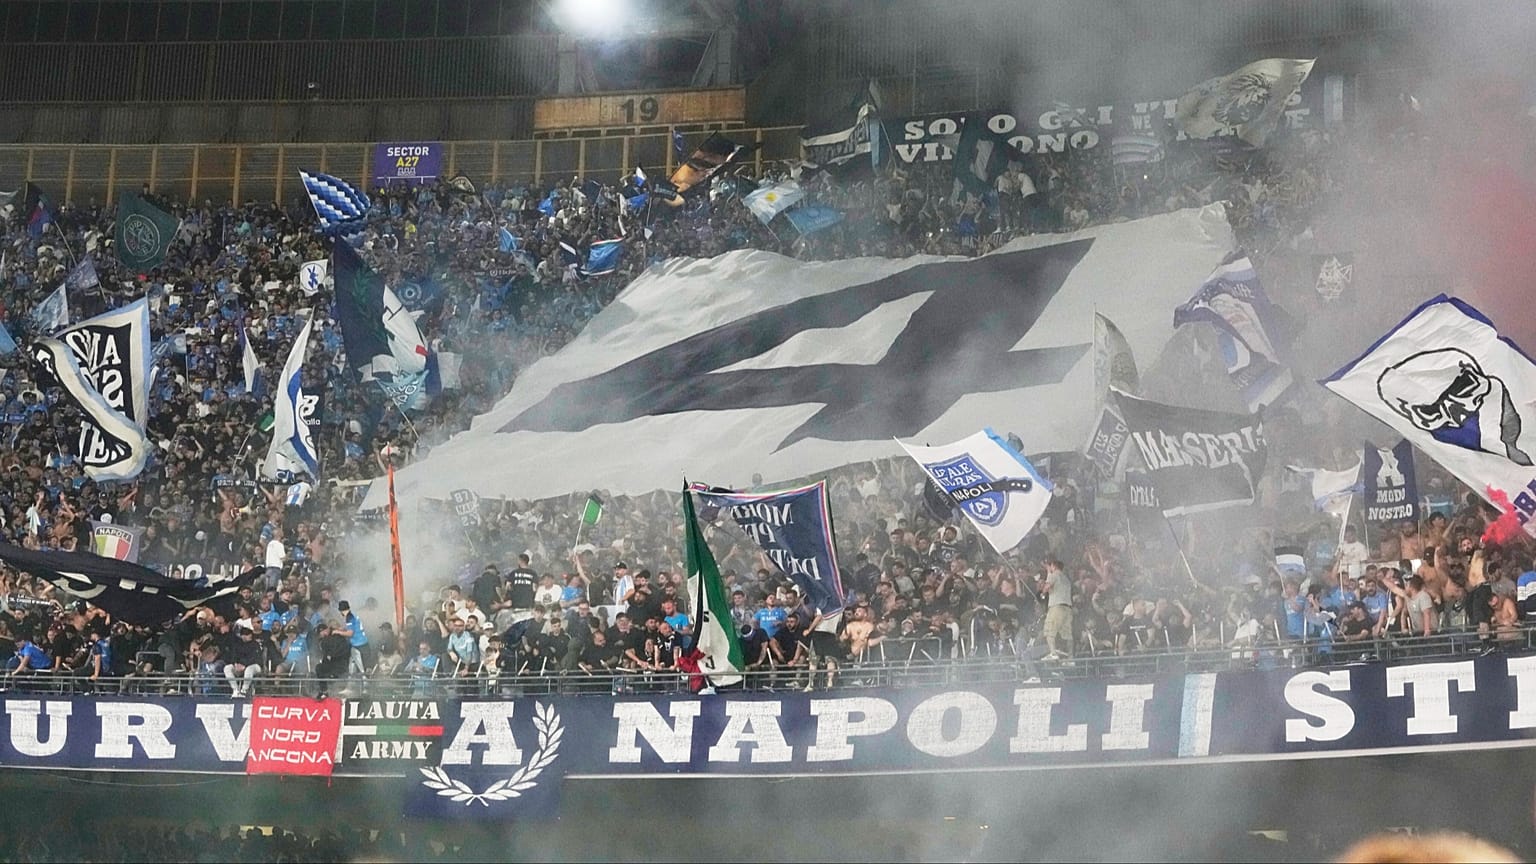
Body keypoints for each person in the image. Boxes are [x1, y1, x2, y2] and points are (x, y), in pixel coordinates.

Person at [1038, 558, 1073, 659]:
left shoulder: (1054, 575)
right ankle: (1071, 658)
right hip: (1067, 608)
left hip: (1056, 607)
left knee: (1049, 631)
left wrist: (1043, 592)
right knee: (1068, 635)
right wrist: (1048, 572)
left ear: (1053, 565)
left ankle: (1053, 653)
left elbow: (1047, 587)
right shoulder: (1066, 579)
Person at [224, 624, 265, 697]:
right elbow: (233, 656)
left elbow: (255, 658)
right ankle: (235, 689)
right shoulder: (237, 644)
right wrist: (235, 664)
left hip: (255, 666)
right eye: (247, 634)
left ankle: (244, 690)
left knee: (249, 669)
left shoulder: (255, 644)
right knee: (227, 668)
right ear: (242, 636)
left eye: (250, 634)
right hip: (240, 666)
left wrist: (245, 665)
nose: (250, 636)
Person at [314, 622, 351, 698]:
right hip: (331, 665)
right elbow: (326, 657)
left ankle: (328, 690)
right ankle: (324, 691)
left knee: (322, 669)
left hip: (341, 665)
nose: (321, 635)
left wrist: (331, 655)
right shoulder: (324, 641)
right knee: (319, 667)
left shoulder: (336, 637)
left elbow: (342, 651)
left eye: (321, 633)